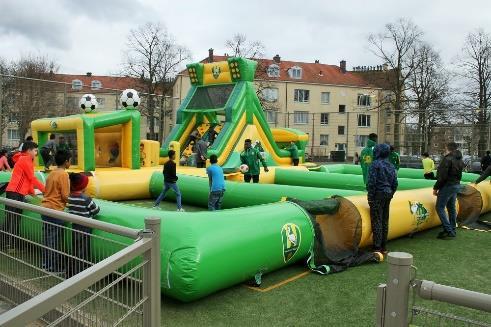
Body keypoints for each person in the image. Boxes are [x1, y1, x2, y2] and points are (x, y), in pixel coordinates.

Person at [4, 141, 45, 251]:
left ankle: (12, 244)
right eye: (35, 150)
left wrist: (32, 193)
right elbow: (32, 178)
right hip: (15, 192)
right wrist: (45, 190)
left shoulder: (23, 159)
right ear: (29, 150)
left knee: (13, 218)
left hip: (15, 192)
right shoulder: (25, 159)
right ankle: (10, 245)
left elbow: (27, 179)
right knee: (13, 219)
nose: (36, 153)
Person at [41, 149, 71, 273]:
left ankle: (45, 264)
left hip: (45, 208)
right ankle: (53, 266)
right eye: (70, 160)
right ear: (66, 162)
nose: (70, 162)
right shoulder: (63, 174)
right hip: (55, 210)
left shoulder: (52, 173)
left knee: (47, 239)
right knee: (54, 240)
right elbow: (65, 195)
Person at [67, 173, 100, 277]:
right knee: (83, 250)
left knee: (75, 249)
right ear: (83, 186)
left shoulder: (70, 197)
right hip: (85, 227)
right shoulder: (86, 198)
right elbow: (96, 210)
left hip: (75, 226)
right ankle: (80, 273)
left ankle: (71, 271)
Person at [367, 144, 398, 254]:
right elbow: (395, 183)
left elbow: (371, 182)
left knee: (377, 220)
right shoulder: (391, 166)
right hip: (388, 194)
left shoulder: (375, 165)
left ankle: (376, 247)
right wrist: (391, 193)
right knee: (385, 220)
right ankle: (384, 246)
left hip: (378, 195)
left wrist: (370, 197)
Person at [433, 142, 464, 239]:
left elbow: (442, 176)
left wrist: (436, 187)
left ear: (448, 148)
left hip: (448, 185)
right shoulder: (459, 159)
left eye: (445, 148)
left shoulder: (447, 159)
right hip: (456, 185)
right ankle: (452, 228)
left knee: (439, 207)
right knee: (451, 208)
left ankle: (448, 230)